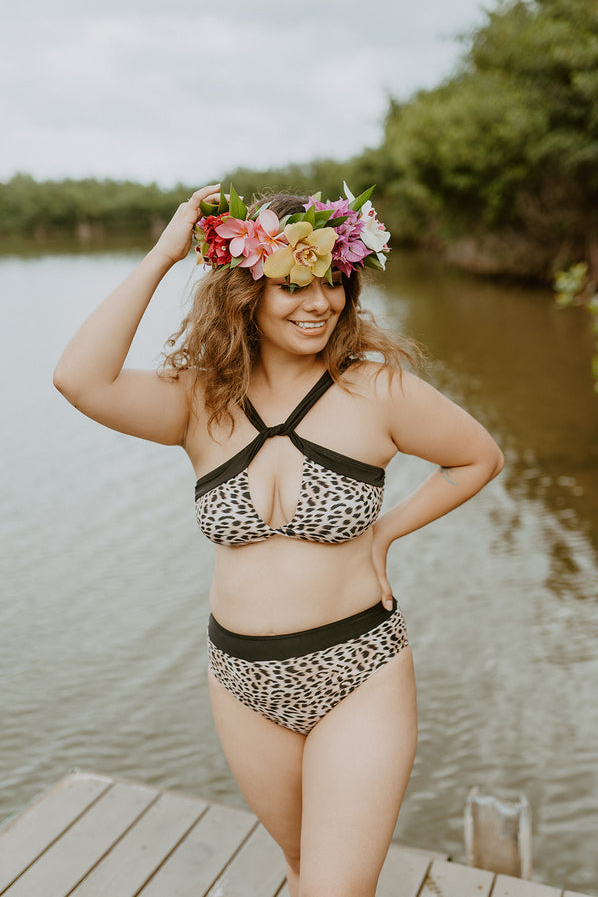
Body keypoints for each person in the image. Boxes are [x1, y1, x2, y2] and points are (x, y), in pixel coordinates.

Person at [53, 182, 504, 897]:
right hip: (240, 681)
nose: (319, 302)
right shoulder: (201, 401)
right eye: (294, 283)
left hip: (358, 671)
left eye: (332, 282)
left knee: (335, 890)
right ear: (248, 292)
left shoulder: (376, 393)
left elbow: (478, 457)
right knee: (303, 871)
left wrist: (385, 533)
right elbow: (78, 378)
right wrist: (167, 252)